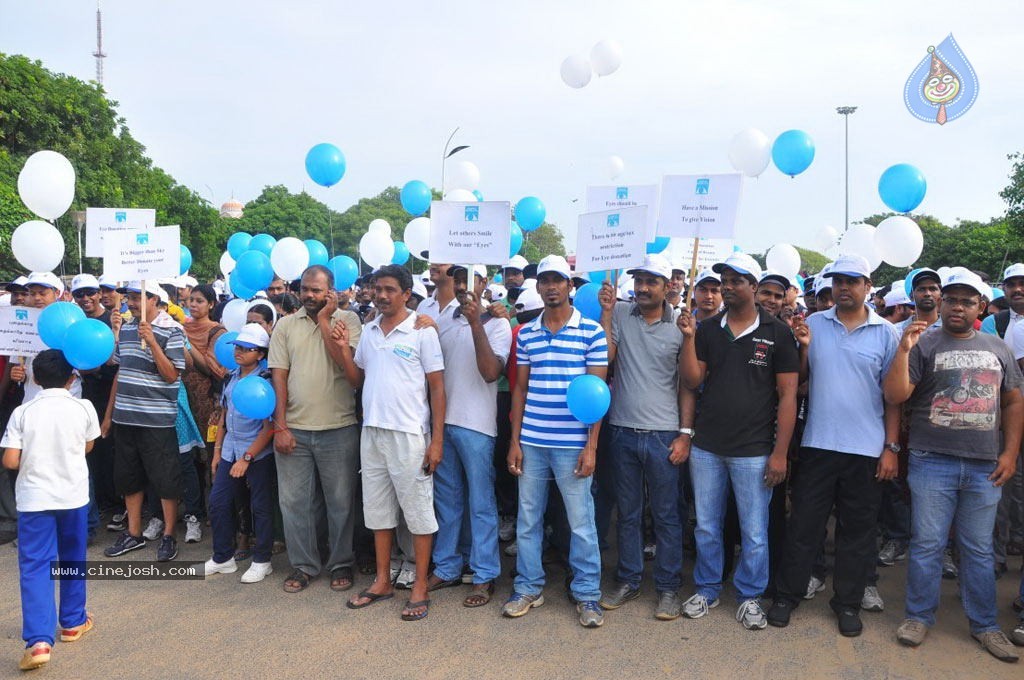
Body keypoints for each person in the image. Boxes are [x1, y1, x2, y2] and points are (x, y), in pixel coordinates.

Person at [884, 270, 1023, 662]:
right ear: (940, 303)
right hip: (932, 462)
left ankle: (984, 625)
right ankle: (918, 616)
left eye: (967, 301)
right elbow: (895, 395)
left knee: (977, 549)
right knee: (927, 545)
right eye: (951, 299)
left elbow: (1014, 402)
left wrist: (1010, 453)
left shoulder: (998, 347)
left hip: (984, 466)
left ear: (980, 306)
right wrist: (903, 350)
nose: (957, 306)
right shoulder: (922, 343)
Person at [767, 254, 901, 637]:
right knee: (804, 526)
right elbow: (800, 380)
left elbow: (893, 397)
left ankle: (847, 603)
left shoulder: (885, 333)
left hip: (865, 448)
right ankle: (786, 595)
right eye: (839, 281)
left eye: (853, 281)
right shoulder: (812, 324)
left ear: (867, 287)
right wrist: (804, 347)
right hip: (818, 444)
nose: (844, 287)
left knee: (857, 533)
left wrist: (891, 447)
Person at [677, 252, 798, 630]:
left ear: (754, 287)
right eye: (724, 281)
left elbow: (789, 395)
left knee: (755, 531)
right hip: (707, 446)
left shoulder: (777, 332)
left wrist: (780, 453)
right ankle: (708, 588)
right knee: (707, 527)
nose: (727, 287)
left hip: (755, 449)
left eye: (735, 281)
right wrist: (688, 338)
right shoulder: (710, 329)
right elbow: (693, 381)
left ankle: (749, 596)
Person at [331, 264, 445, 622]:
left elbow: (438, 388)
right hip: (373, 432)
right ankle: (382, 581)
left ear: (406, 294)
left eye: (390, 289)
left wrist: (436, 441)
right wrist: (341, 351)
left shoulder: (422, 331)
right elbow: (357, 380)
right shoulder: (368, 331)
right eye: (378, 288)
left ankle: (420, 587)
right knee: (378, 513)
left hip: (410, 434)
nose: (381, 295)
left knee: (418, 514)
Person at [502, 255, 609, 628]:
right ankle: (528, 586)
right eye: (544, 280)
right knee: (528, 520)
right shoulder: (528, 333)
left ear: (569, 286)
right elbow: (520, 389)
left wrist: (591, 446)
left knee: (581, 522)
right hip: (531, 440)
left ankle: (587, 594)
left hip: (572, 444)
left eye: (557, 280)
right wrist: (514, 440)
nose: (550, 286)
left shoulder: (591, 333)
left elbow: (597, 395)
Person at [597, 254, 688, 620]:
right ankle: (630, 580)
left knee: (667, 516)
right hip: (622, 430)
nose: (644, 287)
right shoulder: (620, 313)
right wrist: (605, 313)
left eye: (652, 281)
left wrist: (685, 434)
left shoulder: (682, 325)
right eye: (639, 280)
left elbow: (689, 386)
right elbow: (606, 358)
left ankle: (668, 588)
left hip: (664, 433)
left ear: (668, 287)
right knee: (629, 514)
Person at [2, 350, 100, 671]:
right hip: (72, 495)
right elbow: (88, 446)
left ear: (34, 378)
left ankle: (40, 641)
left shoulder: (23, 411)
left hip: (34, 499)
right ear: (72, 378)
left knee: (35, 566)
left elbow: (11, 461)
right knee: (73, 558)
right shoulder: (83, 407)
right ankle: (72, 621)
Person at [419, 264, 510, 607]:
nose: (462, 285)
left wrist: (476, 321)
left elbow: (490, 373)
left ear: (484, 283)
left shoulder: (499, 324)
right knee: (447, 502)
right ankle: (447, 566)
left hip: (477, 425)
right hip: (442, 423)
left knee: (481, 504)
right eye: (457, 279)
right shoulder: (442, 319)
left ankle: (484, 573)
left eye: (469, 278)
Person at [268, 265, 363, 594]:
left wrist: (325, 320)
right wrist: (280, 425)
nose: (309, 295)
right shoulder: (284, 326)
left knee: (341, 503)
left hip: (339, 429)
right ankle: (304, 565)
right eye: (305, 289)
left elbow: (348, 368)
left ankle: (340, 563)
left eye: (316, 291)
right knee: (294, 503)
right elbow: (278, 376)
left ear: (330, 292)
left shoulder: (348, 321)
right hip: (294, 428)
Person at [102, 282, 187, 562]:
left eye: (137, 298)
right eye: (129, 298)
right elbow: (121, 373)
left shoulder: (172, 329)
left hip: (156, 420)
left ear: (154, 299)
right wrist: (108, 417)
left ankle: (168, 535)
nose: (132, 303)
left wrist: (152, 343)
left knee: (166, 479)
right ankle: (134, 534)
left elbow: (172, 375)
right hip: (126, 417)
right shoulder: (126, 328)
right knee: (128, 478)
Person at [205, 324, 276, 583]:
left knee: (260, 506)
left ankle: (262, 560)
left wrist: (247, 458)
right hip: (229, 450)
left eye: (247, 348)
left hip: (256, 454)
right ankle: (223, 557)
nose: (239, 352)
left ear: (259, 353)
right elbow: (224, 417)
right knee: (219, 502)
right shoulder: (230, 377)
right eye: (237, 346)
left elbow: (269, 428)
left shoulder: (266, 380)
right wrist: (217, 452)